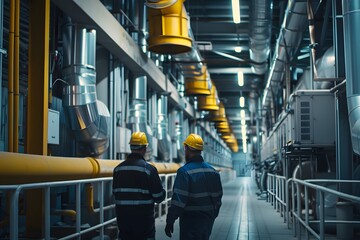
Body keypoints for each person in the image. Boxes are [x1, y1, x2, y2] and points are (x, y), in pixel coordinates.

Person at [165, 133, 223, 240]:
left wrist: (170, 220)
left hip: (190, 220)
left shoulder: (184, 172)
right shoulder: (213, 172)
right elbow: (218, 197)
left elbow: (178, 201)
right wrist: (213, 214)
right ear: (200, 150)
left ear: (187, 148)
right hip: (207, 218)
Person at [113, 131, 165, 240]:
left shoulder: (118, 169)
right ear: (144, 148)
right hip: (144, 222)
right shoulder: (149, 170)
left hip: (123, 221)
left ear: (131, 147)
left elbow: (116, 194)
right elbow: (159, 197)